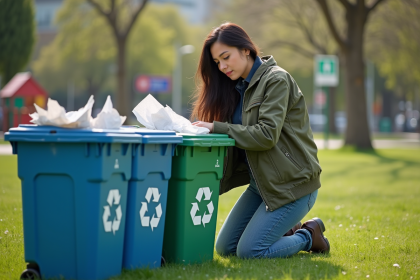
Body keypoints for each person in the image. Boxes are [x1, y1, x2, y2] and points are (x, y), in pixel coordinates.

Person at [191, 22, 330, 259]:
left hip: (294, 185)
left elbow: (266, 135)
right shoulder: (236, 89)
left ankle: (309, 235)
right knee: (225, 248)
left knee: (250, 252)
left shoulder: (276, 80)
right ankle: (287, 229)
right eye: (217, 62)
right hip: (262, 185)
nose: (222, 66)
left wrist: (217, 127)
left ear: (246, 49)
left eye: (226, 57)